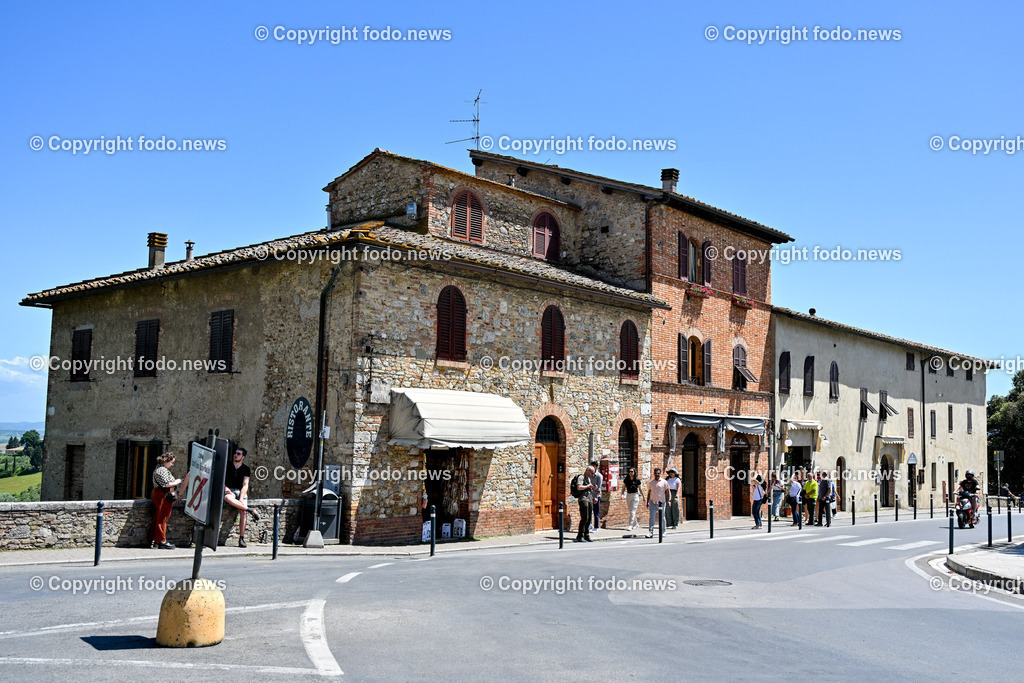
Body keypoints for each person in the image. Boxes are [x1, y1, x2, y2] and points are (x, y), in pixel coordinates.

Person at [224, 447, 260, 547]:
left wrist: (241, 498)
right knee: (227, 498)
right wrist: (225, 488)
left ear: (243, 457)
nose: (236, 455)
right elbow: (221, 479)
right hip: (229, 490)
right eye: (235, 453)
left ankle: (241, 538)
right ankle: (250, 510)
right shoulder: (227, 465)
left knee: (242, 511)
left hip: (240, 491)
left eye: (238, 454)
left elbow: (245, 485)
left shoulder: (246, 469)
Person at [150, 452, 182, 550]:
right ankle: (161, 541)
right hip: (162, 495)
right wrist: (178, 481)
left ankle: (157, 540)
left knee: (160, 517)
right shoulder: (161, 470)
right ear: (166, 461)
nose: (172, 465)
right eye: (171, 462)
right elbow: (167, 484)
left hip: (161, 494)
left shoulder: (160, 469)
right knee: (162, 518)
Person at [571, 465, 597, 542]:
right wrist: (587, 486)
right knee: (584, 518)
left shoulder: (588, 478)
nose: (592, 475)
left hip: (589, 499)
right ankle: (580, 535)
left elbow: (588, 488)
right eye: (592, 473)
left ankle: (586, 535)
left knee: (589, 518)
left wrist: (592, 488)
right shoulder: (581, 477)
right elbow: (579, 487)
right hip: (583, 499)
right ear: (587, 470)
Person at [645, 468, 669, 538]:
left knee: (662, 517)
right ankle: (650, 532)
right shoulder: (651, 482)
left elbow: (668, 491)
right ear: (654, 474)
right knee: (652, 517)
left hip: (661, 502)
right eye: (656, 473)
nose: (657, 475)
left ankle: (664, 531)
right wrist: (647, 502)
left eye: (658, 473)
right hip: (653, 501)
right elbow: (649, 492)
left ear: (660, 474)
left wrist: (669, 500)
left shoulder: (664, 482)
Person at [589, 461, 603, 531]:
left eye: (593, 466)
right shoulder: (589, 475)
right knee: (588, 511)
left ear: (597, 467)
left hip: (596, 496)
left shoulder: (599, 476)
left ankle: (596, 527)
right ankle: (589, 525)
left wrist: (596, 497)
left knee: (596, 512)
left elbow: (599, 488)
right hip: (589, 496)